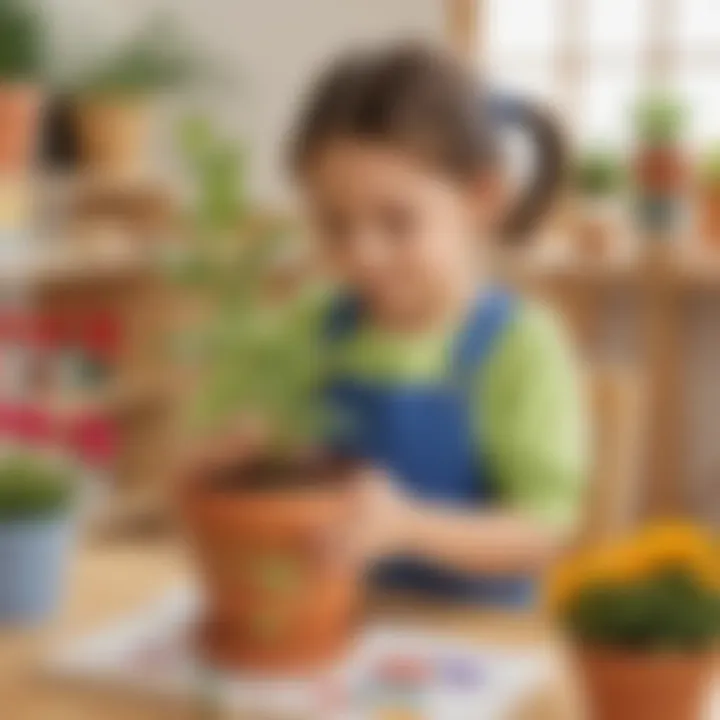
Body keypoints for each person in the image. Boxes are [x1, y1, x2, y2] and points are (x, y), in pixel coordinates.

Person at [211, 43, 588, 606]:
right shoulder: (313, 324)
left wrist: (411, 527)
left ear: (481, 199)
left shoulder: (520, 346)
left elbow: (543, 532)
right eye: (334, 224)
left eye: (398, 222)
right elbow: (259, 443)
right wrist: (235, 451)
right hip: (335, 622)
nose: (363, 253)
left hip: (476, 645)